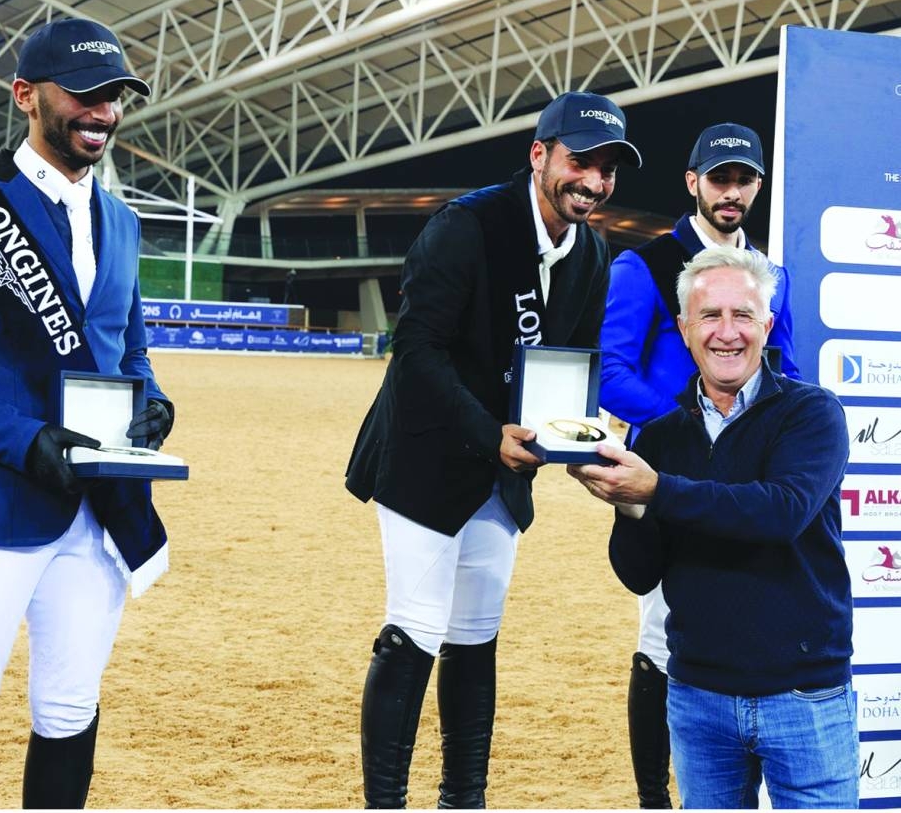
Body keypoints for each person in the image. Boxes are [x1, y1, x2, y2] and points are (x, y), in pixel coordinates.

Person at [0, 17, 174, 809]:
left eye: (117, 97)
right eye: (86, 96)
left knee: (68, 713)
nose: (104, 113)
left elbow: (129, 350)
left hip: (97, 516)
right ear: (26, 96)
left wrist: (151, 405)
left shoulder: (122, 221)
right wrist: (24, 441)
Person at [345, 91, 642, 808]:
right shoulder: (467, 225)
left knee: (477, 637)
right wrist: (488, 435)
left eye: (607, 170)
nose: (594, 183)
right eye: (581, 162)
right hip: (425, 458)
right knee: (414, 630)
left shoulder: (594, 250)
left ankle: (463, 800)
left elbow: (574, 362)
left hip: (506, 470)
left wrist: (581, 434)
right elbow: (413, 350)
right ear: (540, 155)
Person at [569, 245, 857, 810]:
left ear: (767, 325)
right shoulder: (661, 436)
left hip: (803, 695)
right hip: (698, 694)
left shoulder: (812, 414)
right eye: (710, 316)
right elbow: (638, 573)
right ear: (683, 328)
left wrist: (658, 491)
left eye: (743, 315)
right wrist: (629, 509)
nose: (728, 333)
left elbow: (779, 512)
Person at [598, 123, 800, 808]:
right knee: (661, 636)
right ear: (693, 183)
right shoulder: (645, 266)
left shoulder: (773, 276)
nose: (732, 192)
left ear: (757, 188)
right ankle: (656, 799)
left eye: (744, 180)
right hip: (670, 476)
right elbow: (612, 371)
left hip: (755, 481)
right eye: (720, 179)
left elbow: (790, 372)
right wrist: (687, 430)